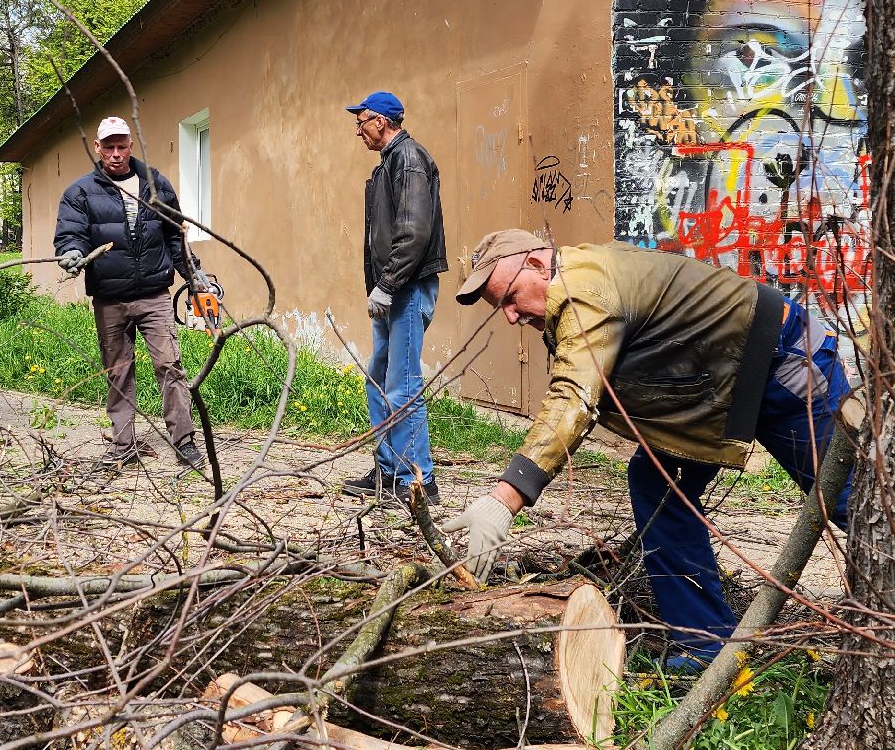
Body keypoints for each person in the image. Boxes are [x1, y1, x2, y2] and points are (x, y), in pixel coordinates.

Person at [439, 230, 855, 668]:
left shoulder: (585, 292)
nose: (509, 316)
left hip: (783, 361)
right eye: (499, 307)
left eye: (509, 297)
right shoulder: (576, 276)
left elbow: (574, 397)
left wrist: (505, 498)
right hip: (723, 382)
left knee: (853, 501)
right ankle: (704, 648)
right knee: (657, 484)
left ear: (539, 265)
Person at [53, 116, 208, 472]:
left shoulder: (156, 184)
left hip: (154, 293)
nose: (116, 153)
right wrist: (72, 252)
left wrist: (193, 274)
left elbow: (174, 236)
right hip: (109, 297)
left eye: (122, 145)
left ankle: (184, 441)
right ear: (98, 148)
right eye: (109, 146)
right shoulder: (80, 192)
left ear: (131, 145)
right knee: (118, 371)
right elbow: (70, 234)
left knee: (170, 366)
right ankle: (124, 445)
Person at [337, 91, 448, 505]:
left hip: (407, 286)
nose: (358, 131)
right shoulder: (388, 165)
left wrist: (387, 284)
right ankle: (389, 469)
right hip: (394, 288)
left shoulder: (409, 159)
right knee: (379, 381)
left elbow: (414, 231)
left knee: (401, 386)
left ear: (381, 121)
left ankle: (418, 480)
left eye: (361, 121)